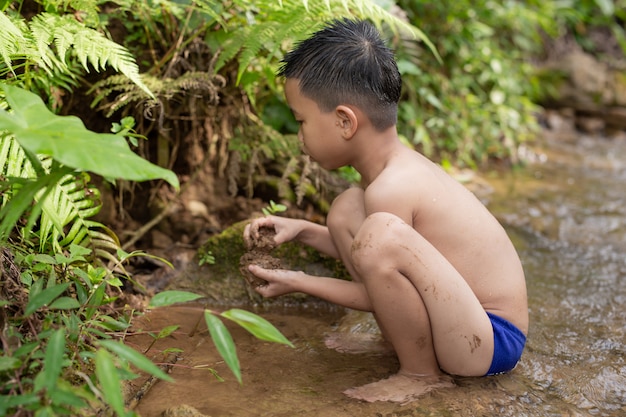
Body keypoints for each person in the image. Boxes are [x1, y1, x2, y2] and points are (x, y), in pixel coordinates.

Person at [243, 18, 528, 403]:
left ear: (345, 121)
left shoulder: (394, 187)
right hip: (462, 322)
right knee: (346, 210)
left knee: (379, 235)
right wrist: (303, 231)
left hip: (489, 341)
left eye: (302, 121)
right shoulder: (388, 176)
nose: (299, 136)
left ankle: (420, 373)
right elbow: (380, 265)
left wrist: (298, 280)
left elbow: (371, 290)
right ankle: (401, 346)